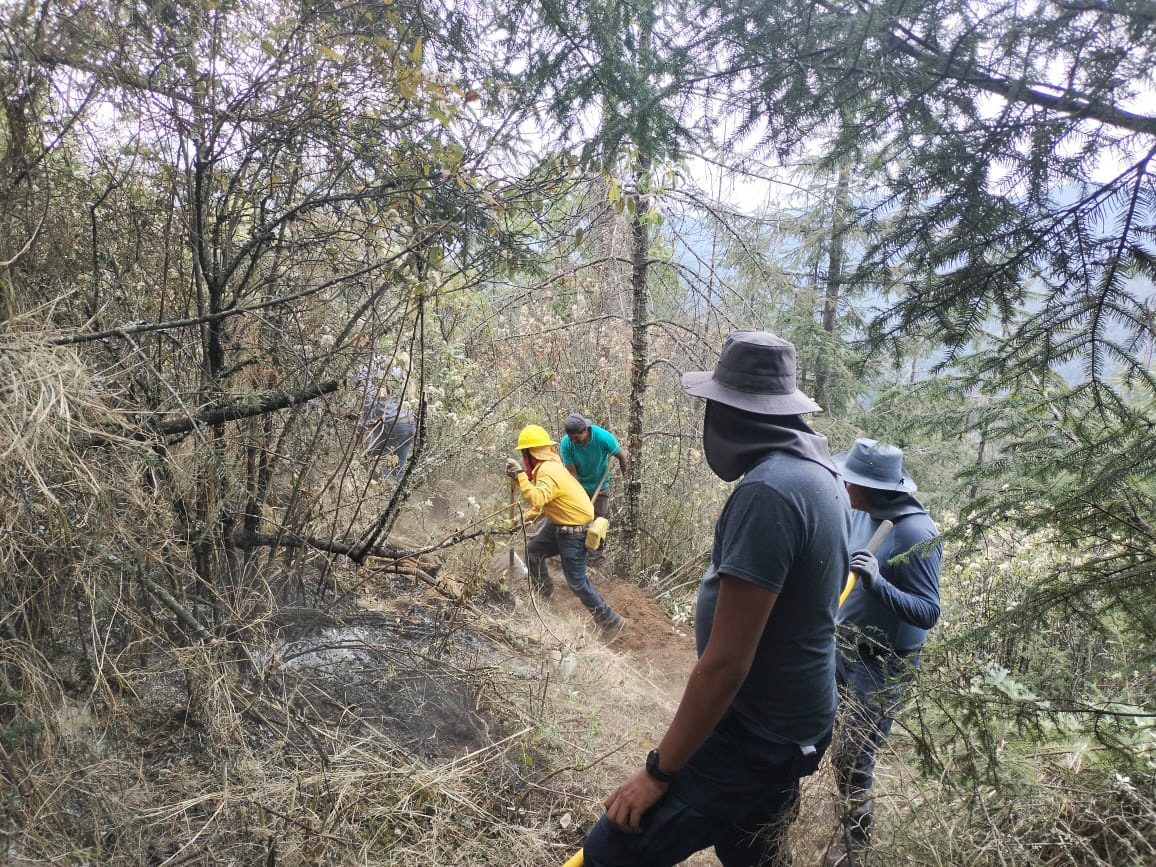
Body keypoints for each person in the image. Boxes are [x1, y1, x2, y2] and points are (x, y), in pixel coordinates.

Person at [582, 330, 851, 867]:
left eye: (714, 407)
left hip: (755, 733)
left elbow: (726, 664)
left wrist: (658, 773)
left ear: (738, 414)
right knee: (750, 848)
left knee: (613, 850)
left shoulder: (770, 493)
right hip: (794, 727)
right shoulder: (823, 476)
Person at [825, 439, 942, 867]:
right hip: (842, 646)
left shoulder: (916, 533)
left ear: (871, 486)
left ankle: (853, 847)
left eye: (850, 479)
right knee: (817, 730)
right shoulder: (861, 509)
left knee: (853, 755)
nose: (844, 484)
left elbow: (928, 612)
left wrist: (879, 583)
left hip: (884, 664)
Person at [504, 424, 624, 634]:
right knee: (534, 550)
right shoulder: (549, 467)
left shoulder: (548, 471)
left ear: (530, 453)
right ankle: (544, 595)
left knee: (577, 582)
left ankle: (612, 621)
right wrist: (522, 519)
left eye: (524, 454)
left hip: (574, 531)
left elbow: (537, 497)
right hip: (559, 523)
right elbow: (547, 503)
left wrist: (521, 476)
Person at [359, 366, 415, 482]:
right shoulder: (395, 364)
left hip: (393, 424)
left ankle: (378, 493)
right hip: (409, 422)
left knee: (374, 461)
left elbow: (367, 400)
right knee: (397, 468)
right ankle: (397, 496)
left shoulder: (365, 367)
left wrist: (363, 425)